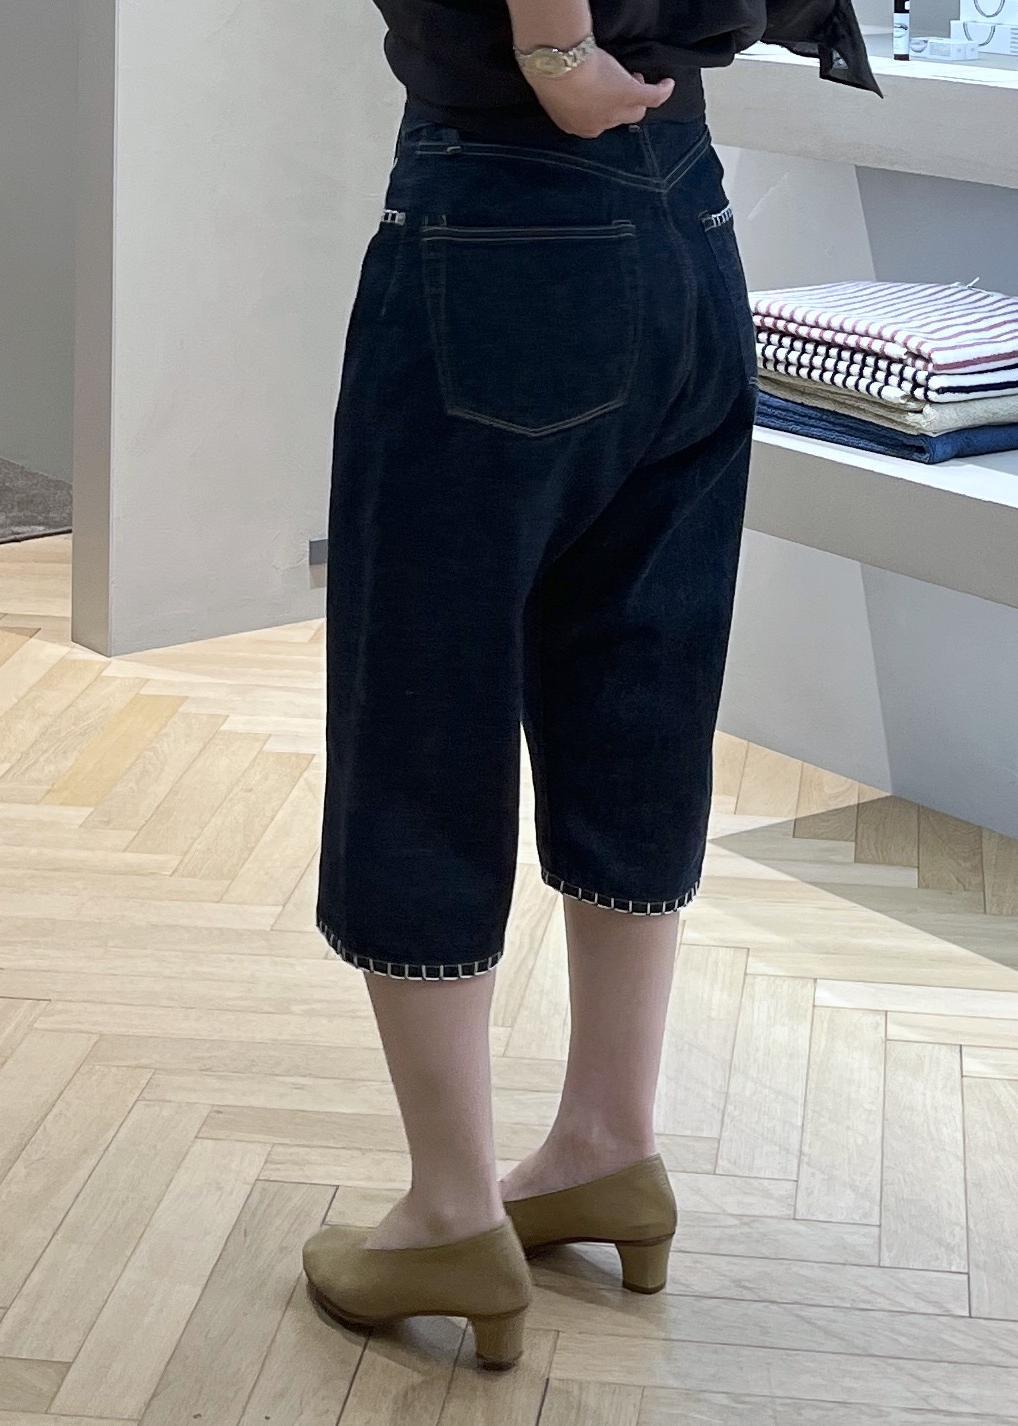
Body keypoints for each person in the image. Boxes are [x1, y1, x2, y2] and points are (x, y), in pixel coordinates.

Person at [303, 0, 878, 1372]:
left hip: (504, 196)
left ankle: (449, 1212)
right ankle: (607, 1142)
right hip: (687, 209)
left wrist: (554, 49)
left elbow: (549, 56)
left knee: (422, 702)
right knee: (640, 688)